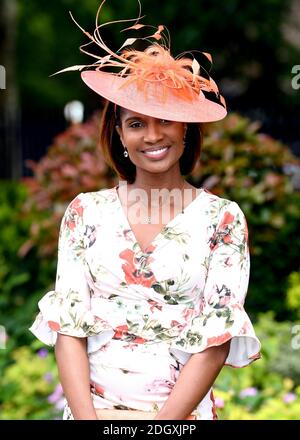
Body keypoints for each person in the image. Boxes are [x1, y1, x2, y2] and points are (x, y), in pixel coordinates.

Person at [29, 0, 261, 420]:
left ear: (186, 130)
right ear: (118, 134)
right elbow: (69, 326)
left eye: (164, 120)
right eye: (136, 123)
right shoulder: (85, 212)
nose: (152, 135)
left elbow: (217, 336)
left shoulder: (222, 219)